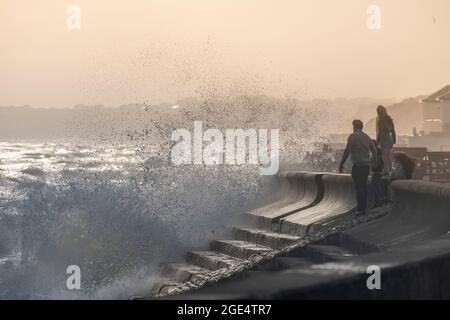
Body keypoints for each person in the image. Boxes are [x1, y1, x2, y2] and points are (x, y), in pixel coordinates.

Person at [339, 120, 377, 215]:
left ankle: (360, 209)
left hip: (357, 166)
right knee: (363, 186)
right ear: (362, 127)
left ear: (354, 127)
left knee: (358, 187)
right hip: (366, 166)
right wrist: (373, 162)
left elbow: (348, 150)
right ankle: (363, 208)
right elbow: (374, 152)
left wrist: (342, 163)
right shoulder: (367, 137)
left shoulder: (353, 136)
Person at [376, 105, 396, 175]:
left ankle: (385, 170)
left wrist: (377, 141)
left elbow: (380, 131)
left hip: (384, 137)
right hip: (389, 137)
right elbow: (393, 130)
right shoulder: (389, 118)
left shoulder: (380, 118)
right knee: (388, 155)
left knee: (384, 155)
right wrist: (394, 140)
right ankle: (390, 168)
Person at [370, 139, 385, 208]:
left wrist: (372, 166)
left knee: (376, 188)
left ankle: (379, 202)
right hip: (377, 172)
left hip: (376, 173)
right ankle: (378, 202)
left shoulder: (375, 152)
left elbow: (377, 163)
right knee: (376, 187)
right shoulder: (376, 151)